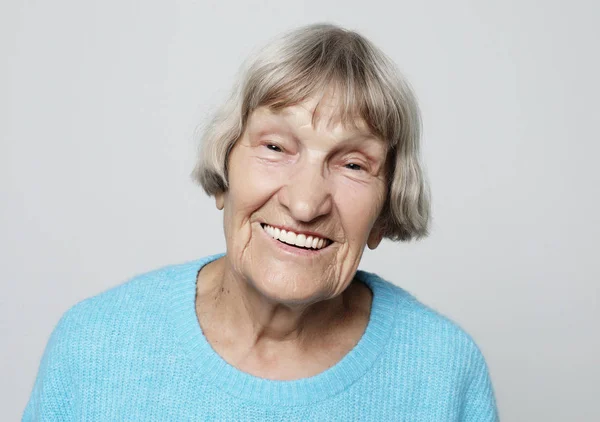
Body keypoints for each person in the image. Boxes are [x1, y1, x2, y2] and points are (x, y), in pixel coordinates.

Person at [24, 23, 499, 421]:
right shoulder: (96, 347)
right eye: (275, 147)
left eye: (353, 164)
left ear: (385, 211)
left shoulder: (444, 372)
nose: (306, 203)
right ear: (224, 173)